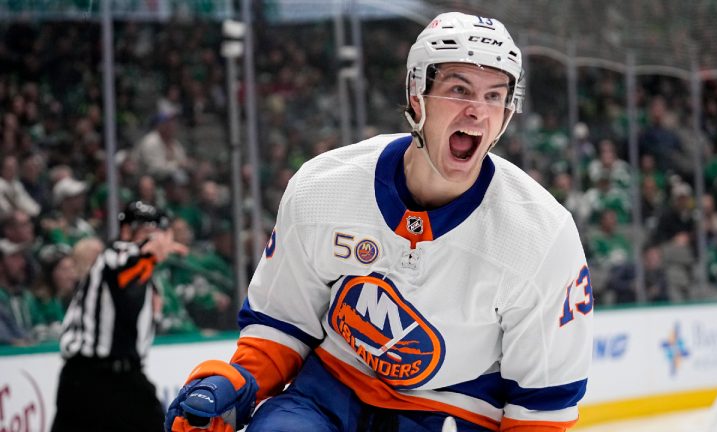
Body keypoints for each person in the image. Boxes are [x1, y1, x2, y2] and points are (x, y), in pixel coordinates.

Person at [166, 12, 593, 432]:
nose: (478, 112)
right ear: (416, 96)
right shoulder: (324, 188)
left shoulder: (541, 237)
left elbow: (541, 408)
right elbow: (284, 322)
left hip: (456, 412)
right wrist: (238, 383)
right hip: (328, 394)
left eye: (495, 96)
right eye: (459, 89)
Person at [52, 201, 188, 432]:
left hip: (124, 378)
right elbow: (127, 270)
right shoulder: (115, 255)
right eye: (147, 234)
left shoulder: (146, 275)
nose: (154, 242)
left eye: (158, 235)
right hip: (87, 377)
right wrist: (150, 256)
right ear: (126, 231)